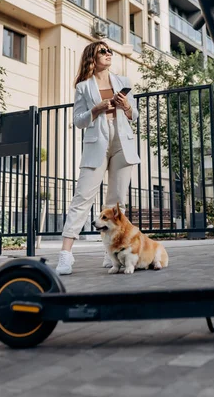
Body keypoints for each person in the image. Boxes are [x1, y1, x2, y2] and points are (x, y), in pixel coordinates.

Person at [56, 41, 140, 275]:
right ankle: (65, 255)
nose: (108, 54)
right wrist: (96, 109)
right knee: (82, 198)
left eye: (109, 51)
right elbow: (79, 120)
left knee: (116, 202)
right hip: (97, 144)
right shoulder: (84, 87)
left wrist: (126, 107)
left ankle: (110, 252)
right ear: (92, 57)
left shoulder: (123, 82)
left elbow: (136, 115)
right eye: (103, 51)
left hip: (123, 143)